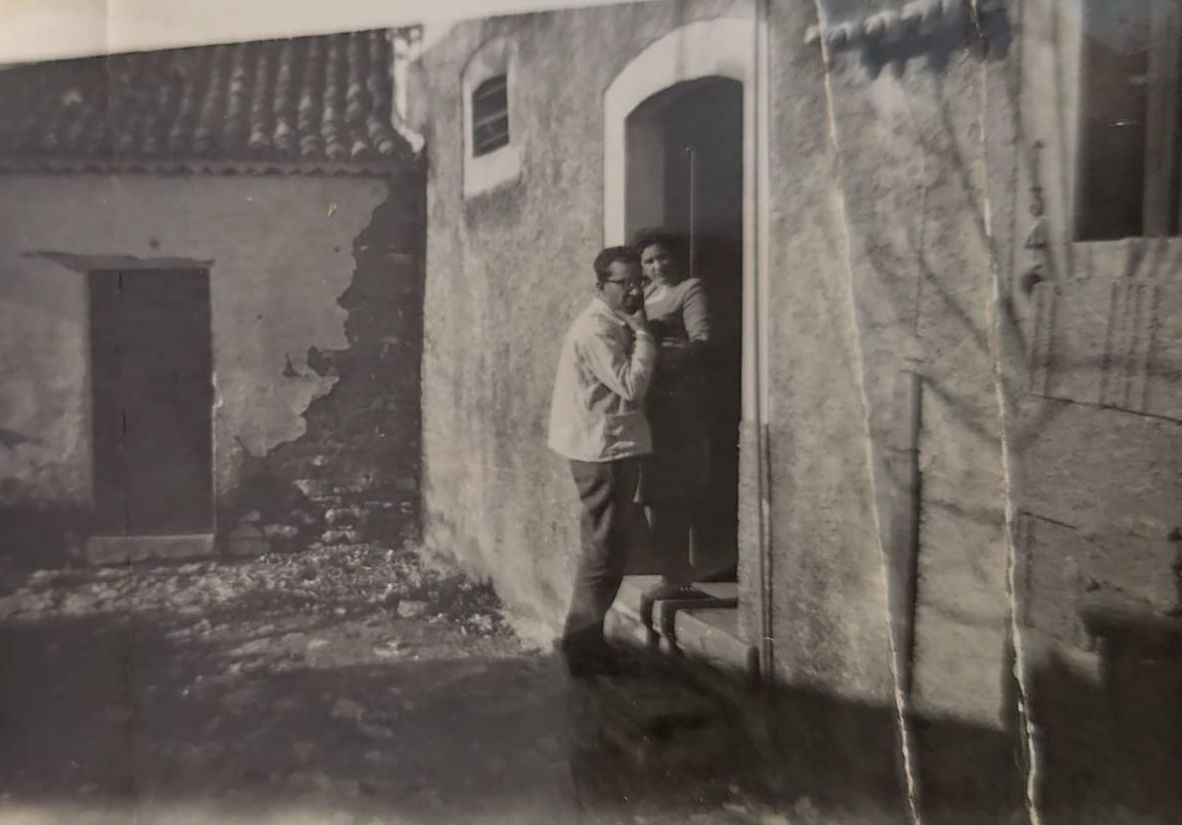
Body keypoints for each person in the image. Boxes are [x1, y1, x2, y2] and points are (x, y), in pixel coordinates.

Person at [547, 245, 656, 677]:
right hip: (603, 451)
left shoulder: (613, 322)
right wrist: (645, 336)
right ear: (601, 286)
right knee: (602, 554)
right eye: (624, 283)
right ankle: (582, 652)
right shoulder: (596, 329)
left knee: (605, 551)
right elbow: (630, 385)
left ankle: (585, 645)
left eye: (639, 282)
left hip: (608, 446)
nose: (635, 291)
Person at [633, 228, 713, 591]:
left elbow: (701, 343)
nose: (657, 266)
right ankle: (670, 569)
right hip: (649, 399)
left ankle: (677, 573)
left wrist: (658, 357)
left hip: (677, 400)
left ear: (676, 257)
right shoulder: (647, 294)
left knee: (672, 487)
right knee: (651, 488)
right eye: (649, 261)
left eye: (663, 257)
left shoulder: (689, 289)